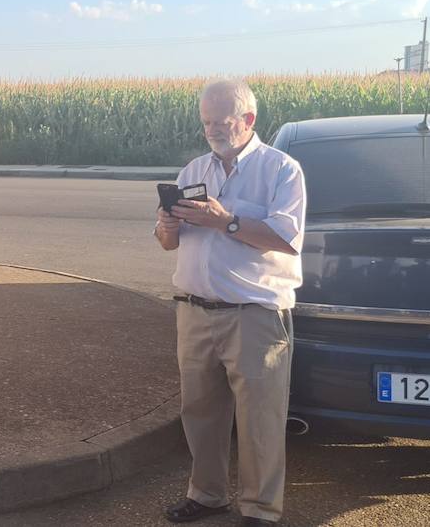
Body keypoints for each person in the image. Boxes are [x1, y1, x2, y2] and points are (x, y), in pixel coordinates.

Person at [154, 78, 307, 527]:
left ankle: (260, 510)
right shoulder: (193, 170)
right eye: (205, 123)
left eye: (220, 122)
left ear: (248, 120)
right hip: (193, 310)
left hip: (254, 315)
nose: (212, 131)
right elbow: (167, 244)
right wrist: (167, 223)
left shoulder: (282, 170)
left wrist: (228, 222)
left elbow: (286, 239)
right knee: (200, 413)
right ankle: (207, 495)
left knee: (259, 418)